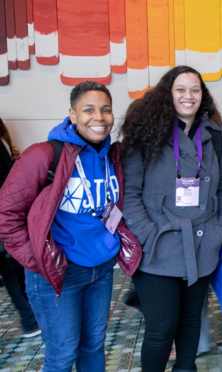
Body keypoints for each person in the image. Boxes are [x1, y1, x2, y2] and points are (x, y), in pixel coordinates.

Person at [0, 81, 142, 371]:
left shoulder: (112, 157)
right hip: (58, 273)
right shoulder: (43, 155)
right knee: (63, 354)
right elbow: (6, 215)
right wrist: (38, 260)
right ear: (72, 115)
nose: (98, 117)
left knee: (93, 346)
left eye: (106, 110)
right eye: (88, 110)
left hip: (100, 269)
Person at [121, 66, 222, 372]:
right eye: (181, 89)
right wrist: (148, 234)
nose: (189, 96)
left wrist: (221, 229)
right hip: (157, 247)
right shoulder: (145, 134)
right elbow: (129, 194)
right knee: (162, 328)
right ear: (167, 94)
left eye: (195, 90)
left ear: (203, 95)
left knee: (190, 321)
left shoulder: (214, 135)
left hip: (202, 242)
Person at [0, 118, 41, 339]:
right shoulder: (2, 142)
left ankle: (31, 320)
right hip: (7, 220)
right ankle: (31, 320)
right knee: (14, 274)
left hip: (6, 219)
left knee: (13, 275)